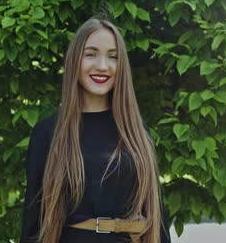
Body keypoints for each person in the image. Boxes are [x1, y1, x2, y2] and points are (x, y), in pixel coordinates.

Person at [19, 17, 171, 243]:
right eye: (91, 54)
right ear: (75, 61)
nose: (102, 66)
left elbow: (157, 218)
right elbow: (33, 223)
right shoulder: (48, 133)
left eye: (113, 57)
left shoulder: (136, 130)